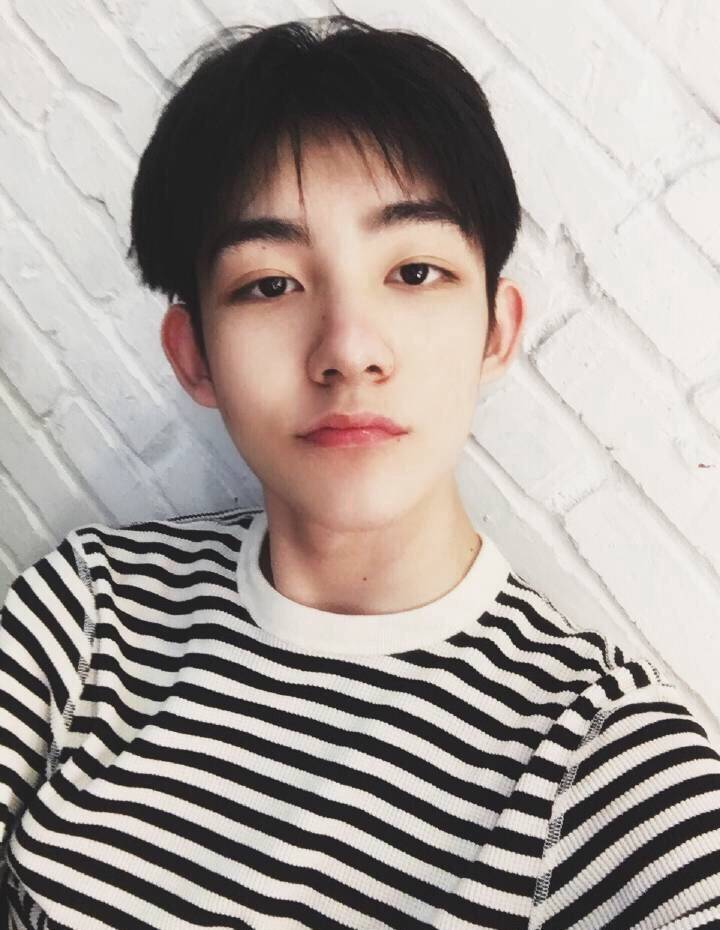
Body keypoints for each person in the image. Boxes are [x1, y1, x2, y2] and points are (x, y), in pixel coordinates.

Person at [1, 13, 719, 930]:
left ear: (497, 330)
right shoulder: (90, 613)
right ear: (194, 357)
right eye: (270, 283)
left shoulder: (606, 770)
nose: (349, 349)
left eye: (414, 272)